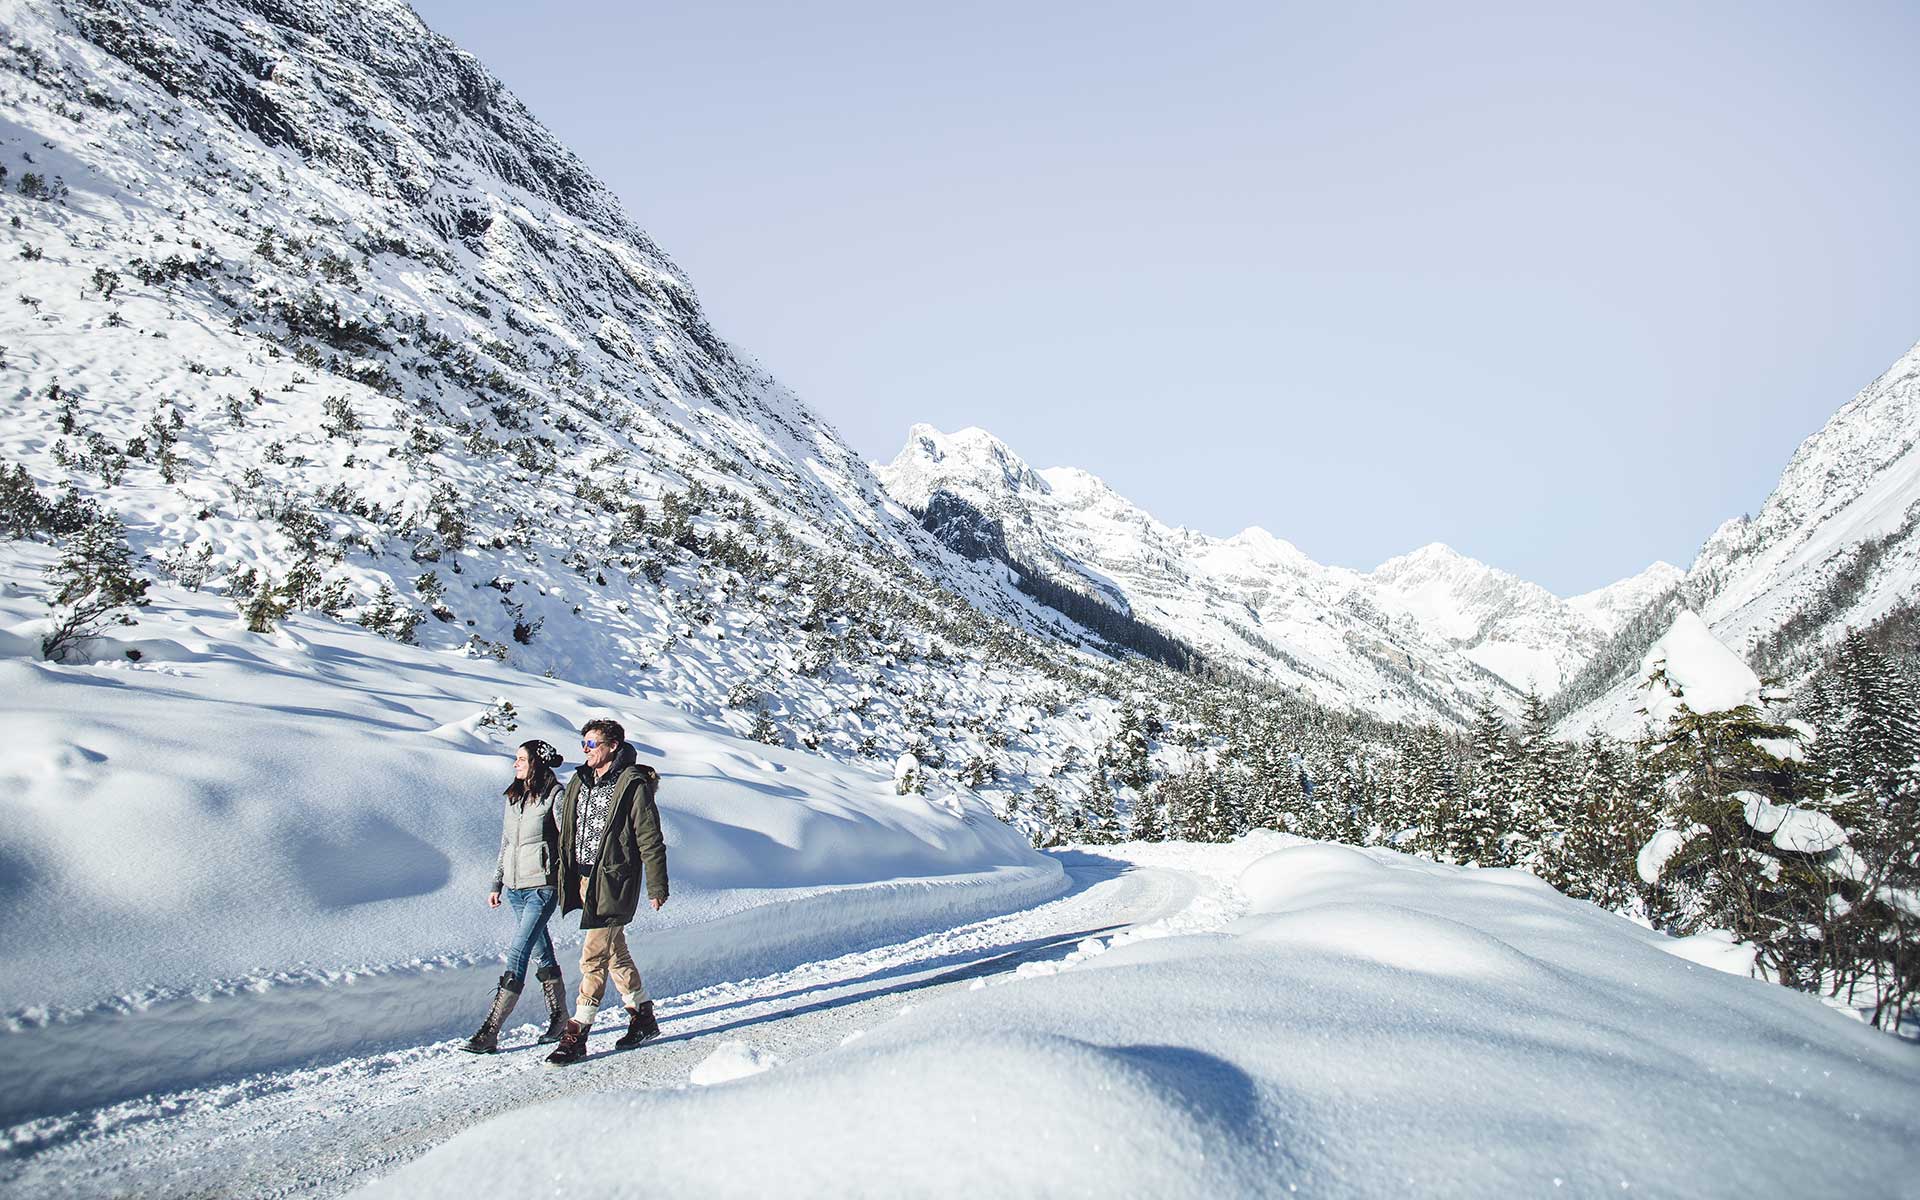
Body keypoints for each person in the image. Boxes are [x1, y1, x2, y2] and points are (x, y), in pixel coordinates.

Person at [545, 718, 669, 1065]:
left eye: (592, 744)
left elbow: (649, 837)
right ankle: (643, 1016)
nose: (586, 750)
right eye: (583, 744)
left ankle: (577, 1032)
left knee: (593, 956)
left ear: (612, 746)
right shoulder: (580, 781)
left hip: (613, 882)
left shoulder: (632, 784)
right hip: (582, 879)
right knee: (616, 954)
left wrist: (657, 885)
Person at [462, 739, 570, 1054]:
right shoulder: (513, 797)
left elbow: (567, 843)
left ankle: (490, 1030)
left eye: (521, 758)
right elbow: (506, 843)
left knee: (517, 954)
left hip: (542, 887)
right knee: (542, 954)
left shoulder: (555, 796)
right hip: (515, 890)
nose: (515, 764)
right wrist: (497, 883)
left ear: (537, 761)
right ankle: (560, 1018)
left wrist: (570, 881)